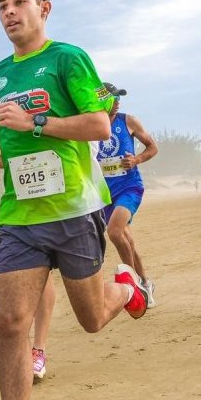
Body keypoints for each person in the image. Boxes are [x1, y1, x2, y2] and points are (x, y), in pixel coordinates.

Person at [0, 0, 150, 400]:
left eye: (19, 2)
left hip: (74, 211)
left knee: (92, 319)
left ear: (44, 9)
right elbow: (1, 131)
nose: (9, 12)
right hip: (20, 216)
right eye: (1, 5)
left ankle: (126, 289)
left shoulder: (68, 58)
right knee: (10, 324)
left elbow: (100, 125)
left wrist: (37, 122)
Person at [32, 81, 159, 381]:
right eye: (111, 98)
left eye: (118, 99)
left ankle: (137, 282)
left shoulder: (128, 121)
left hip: (129, 187)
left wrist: (136, 159)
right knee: (123, 236)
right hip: (100, 193)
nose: (116, 103)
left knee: (117, 231)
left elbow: (152, 146)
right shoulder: (87, 124)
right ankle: (141, 281)